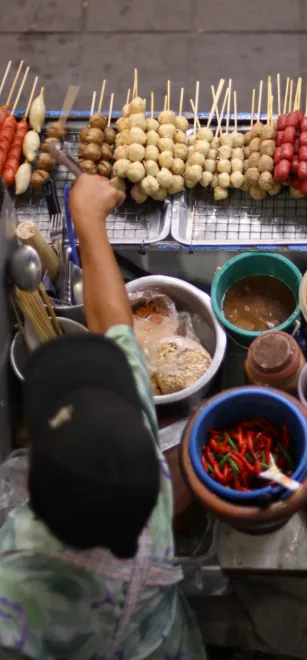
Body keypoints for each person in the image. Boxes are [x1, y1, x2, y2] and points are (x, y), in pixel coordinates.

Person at [0, 174, 207, 659]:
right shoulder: (146, 488)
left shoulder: (12, 580)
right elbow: (119, 329)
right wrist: (90, 221)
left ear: (28, 489)